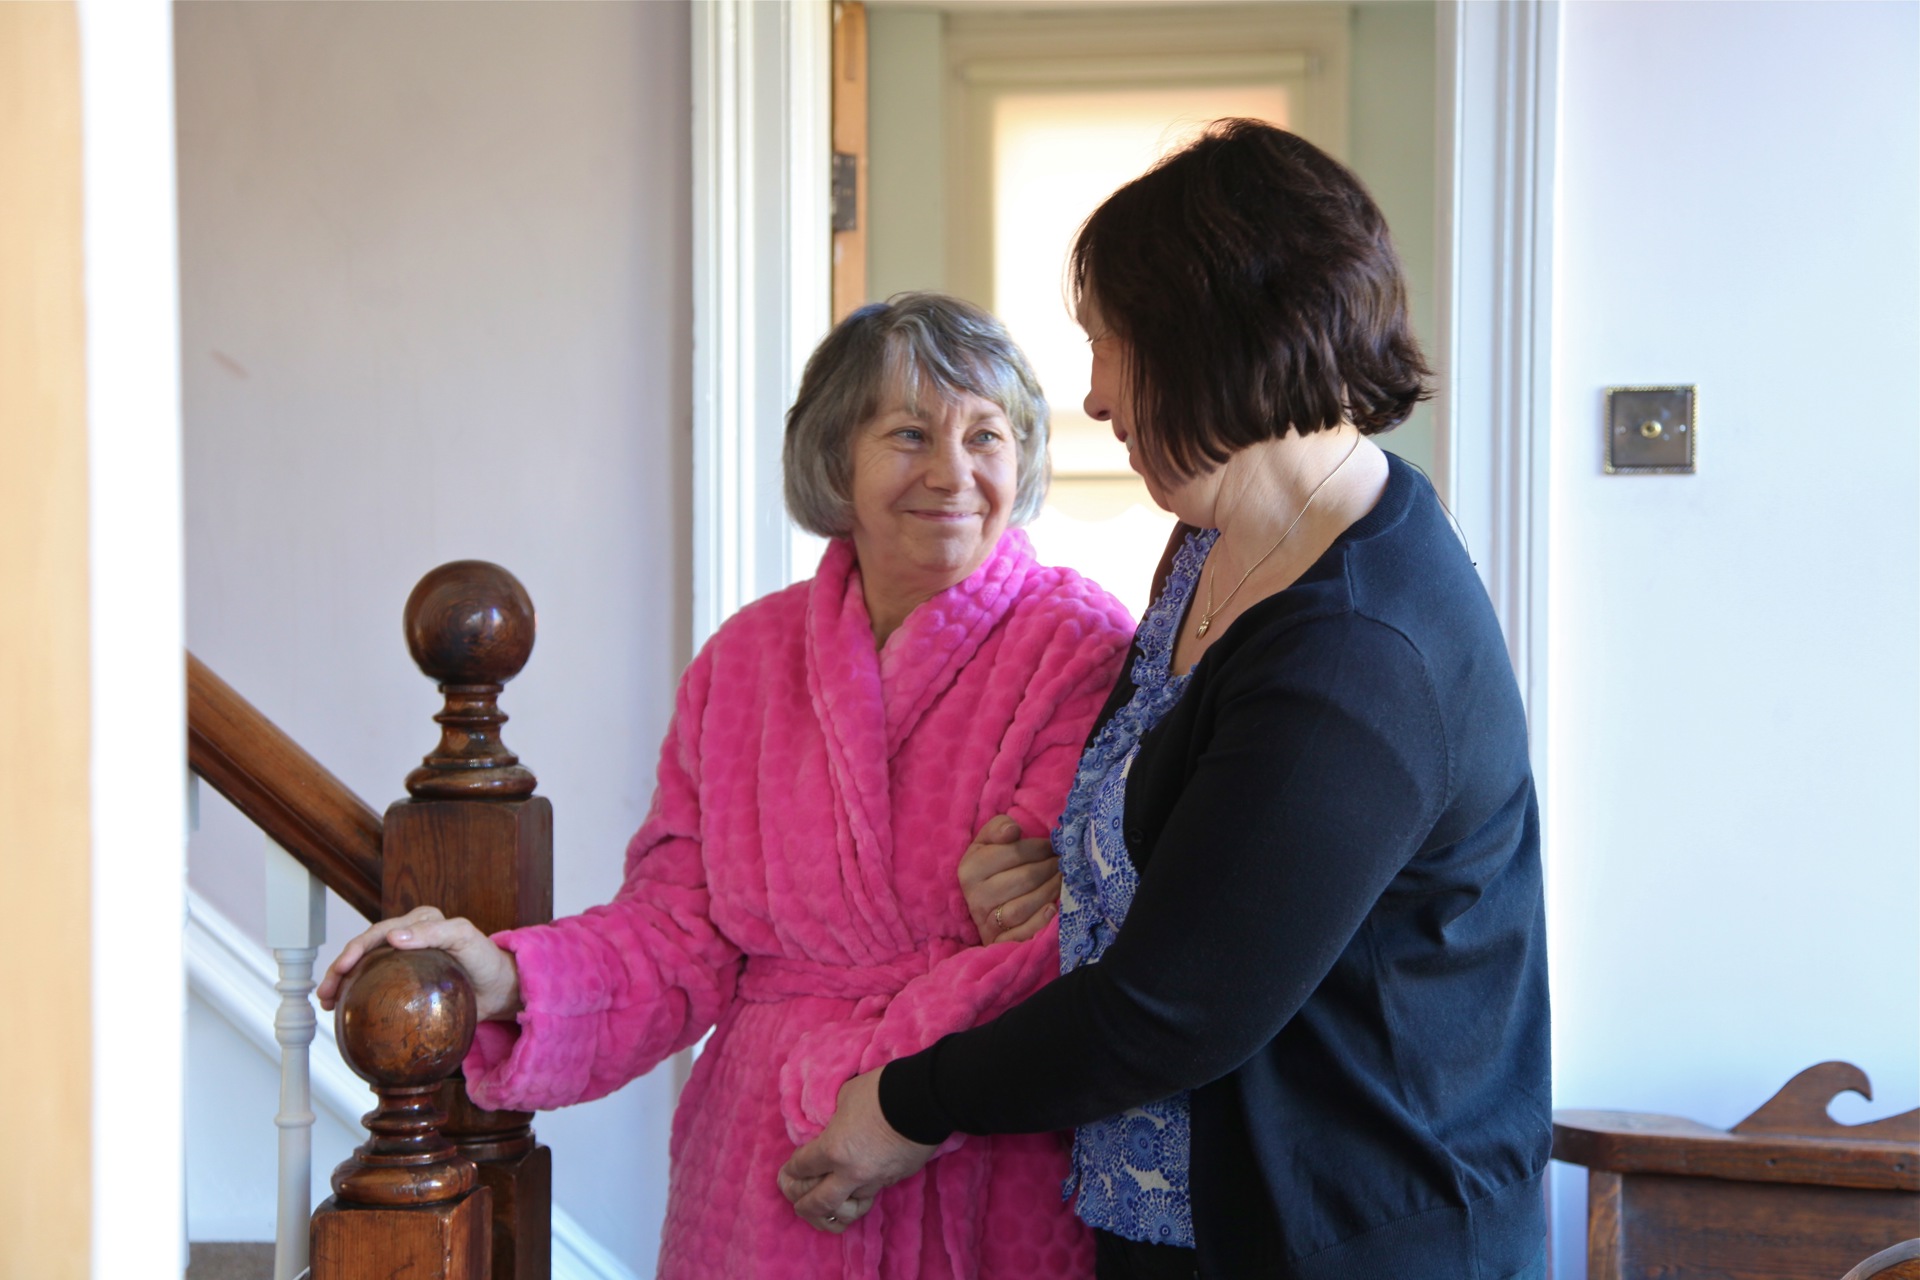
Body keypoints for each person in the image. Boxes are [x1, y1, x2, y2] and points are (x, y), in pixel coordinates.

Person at [780, 120, 1552, 1280]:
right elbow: (1216, 849)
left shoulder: (1357, 653)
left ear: (1210, 341)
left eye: (1110, 346)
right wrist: (1063, 870)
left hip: (1343, 1240)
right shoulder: (1218, 544)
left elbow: (1174, 1009)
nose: (1093, 397)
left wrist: (906, 1102)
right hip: (1187, 1220)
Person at [318, 294, 1134, 1279]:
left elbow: (1058, 944)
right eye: (910, 433)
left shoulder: (1081, 649)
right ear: (836, 456)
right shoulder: (746, 659)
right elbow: (676, 929)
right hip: (761, 1173)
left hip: (971, 1150)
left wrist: (883, 1098)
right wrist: (505, 976)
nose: (953, 473)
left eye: (986, 435)